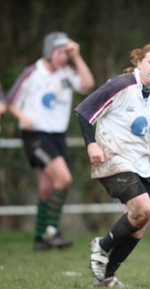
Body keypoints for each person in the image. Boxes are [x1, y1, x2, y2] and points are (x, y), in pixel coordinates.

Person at [74, 43, 150, 288]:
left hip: (140, 164)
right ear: (139, 62)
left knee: (138, 226)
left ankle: (107, 277)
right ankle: (101, 245)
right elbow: (84, 111)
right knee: (144, 208)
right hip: (111, 156)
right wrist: (91, 144)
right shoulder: (121, 84)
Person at [7, 31, 95, 251]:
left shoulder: (66, 72)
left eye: (66, 52)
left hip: (57, 136)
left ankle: (39, 239)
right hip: (36, 136)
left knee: (46, 189)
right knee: (64, 179)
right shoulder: (32, 73)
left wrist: (77, 56)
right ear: (48, 52)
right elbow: (11, 101)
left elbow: (87, 84)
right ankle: (52, 231)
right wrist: (22, 117)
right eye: (59, 52)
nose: (62, 56)